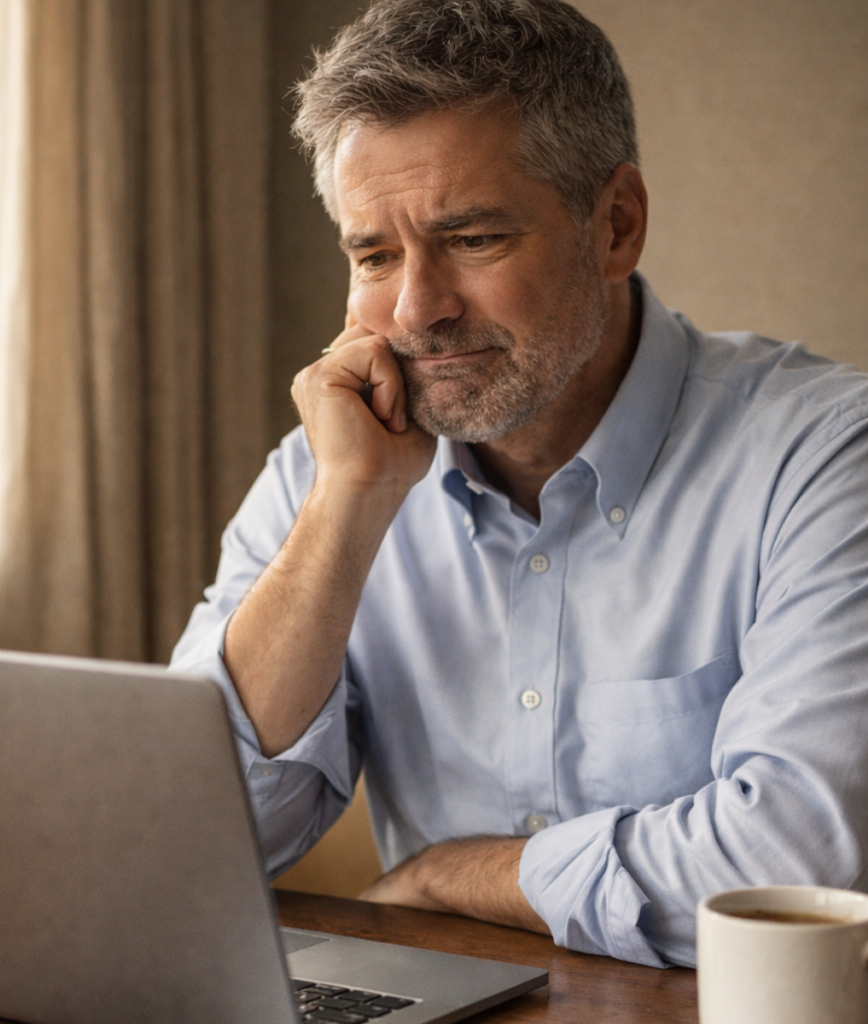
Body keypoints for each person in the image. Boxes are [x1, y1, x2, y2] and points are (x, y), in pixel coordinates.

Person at [170, 0, 868, 968]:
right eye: (373, 254)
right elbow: (190, 840)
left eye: (473, 240)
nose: (417, 310)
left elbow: (799, 866)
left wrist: (450, 878)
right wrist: (344, 513)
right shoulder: (328, 474)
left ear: (614, 225)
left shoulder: (826, 458)